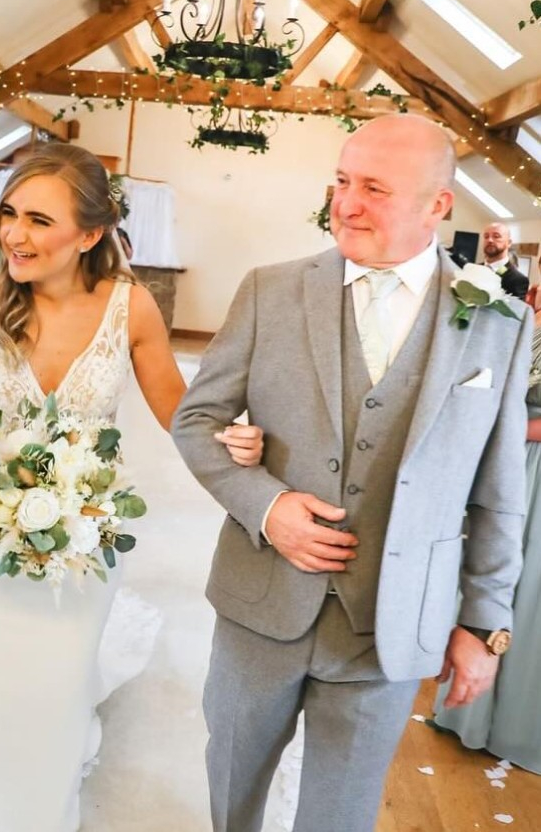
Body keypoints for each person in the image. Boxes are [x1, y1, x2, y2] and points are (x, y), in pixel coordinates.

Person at [172, 114, 532, 832]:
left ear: (438, 205)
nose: (346, 203)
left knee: (340, 817)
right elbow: (197, 421)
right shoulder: (268, 291)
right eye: (341, 181)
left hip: (389, 625)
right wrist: (267, 507)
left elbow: (499, 495)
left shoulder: (498, 324)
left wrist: (483, 623)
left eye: (373, 187)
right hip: (259, 609)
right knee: (232, 794)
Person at [0, 143, 263, 832]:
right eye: (11, 213)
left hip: (83, 545)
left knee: (55, 701)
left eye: (40, 221)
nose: (14, 234)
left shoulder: (129, 309)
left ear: (91, 233)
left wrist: (236, 438)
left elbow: (181, 415)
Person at [432, 306, 541, 774]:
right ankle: (471, 713)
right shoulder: (528, 323)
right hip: (509, 467)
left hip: (532, 471)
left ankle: (518, 726)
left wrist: (502, 428)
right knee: (488, 581)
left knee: (529, 592)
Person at [482, 222, 529, 300]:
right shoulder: (473, 269)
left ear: (509, 243)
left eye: (496, 236)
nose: (490, 240)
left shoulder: (517, 279)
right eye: (486, 236)